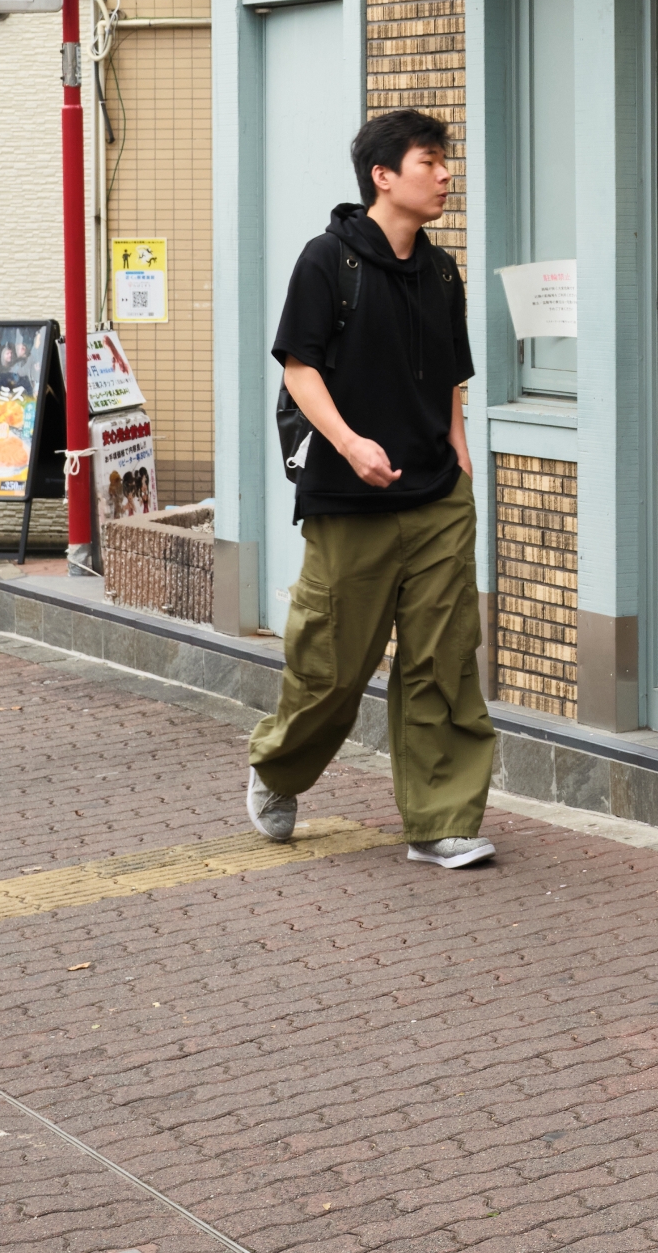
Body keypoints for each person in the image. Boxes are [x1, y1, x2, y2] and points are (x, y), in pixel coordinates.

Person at [242, 108, 498, 870]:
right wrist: (349, 445)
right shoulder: (328, 260)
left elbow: (452, 370)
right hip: (349, 496)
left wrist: (456, 445)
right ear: (383, 176)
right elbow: (298, 365)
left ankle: (440, 821)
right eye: (429, 162)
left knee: (443, 659)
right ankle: (277, 768)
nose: (446, 175)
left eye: (446, 162)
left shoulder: (442, 269)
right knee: (333, 666)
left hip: (436, 495)